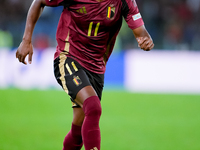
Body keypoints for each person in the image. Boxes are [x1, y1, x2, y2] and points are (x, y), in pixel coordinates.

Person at [16, 0, 154, 149]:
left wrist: (145, 39)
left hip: (96, 68)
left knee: (78, 133)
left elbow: (140, 31)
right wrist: (26, 39)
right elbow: (39, 2)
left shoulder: (124, 1)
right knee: (93, 107)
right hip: (68, 57)